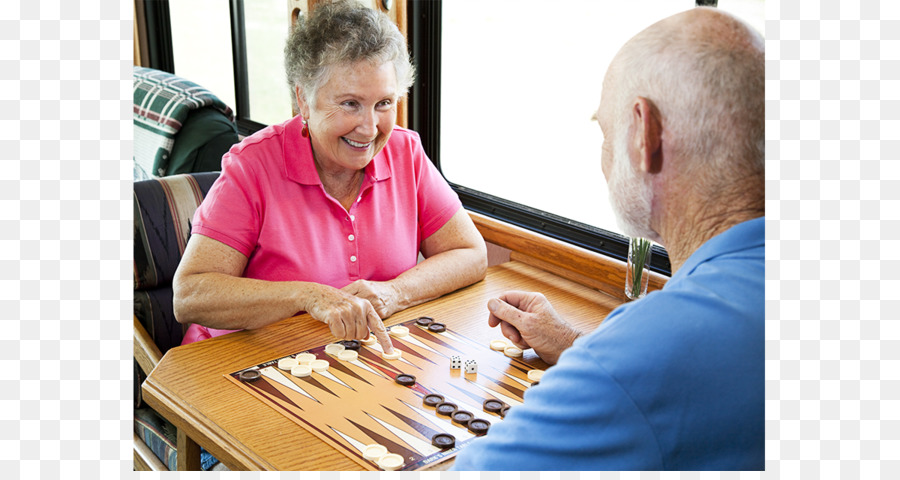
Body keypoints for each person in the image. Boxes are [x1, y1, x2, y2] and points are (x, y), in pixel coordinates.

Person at [452, 7, 764, 470]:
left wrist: (605, 364)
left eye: (605, 130)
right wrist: (575, 345)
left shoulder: (654, 346)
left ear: (643, 133)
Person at [172, 0, 487, 353]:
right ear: (303, 100)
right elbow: (190, 296)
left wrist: (395, 292)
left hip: (348, 357)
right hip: (241, 366)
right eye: (350, 103)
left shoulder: (405, 152)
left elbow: (470, 253)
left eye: (384, 103)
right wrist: (307, 295)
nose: (369, 128)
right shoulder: (252, 167)